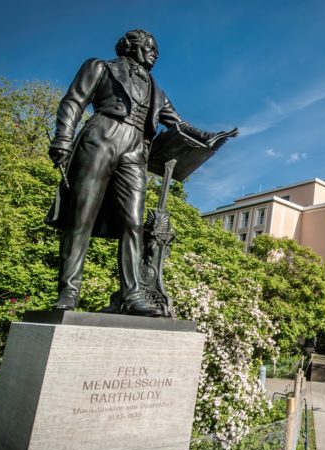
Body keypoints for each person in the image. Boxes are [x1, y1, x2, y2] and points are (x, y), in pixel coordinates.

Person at [47, 29, 215, 315]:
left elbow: (178, 123)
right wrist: (63, 137)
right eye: (150, 46)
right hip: (101, 136)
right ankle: (69, 291)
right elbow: (74, 101)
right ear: (130, 46)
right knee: (81, 217)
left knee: (134, 223)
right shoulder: (100, 67)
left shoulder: (155, 88)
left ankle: (132, 294)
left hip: (136, 149)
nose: (155, 52)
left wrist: (209, 137)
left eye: (156, 49)